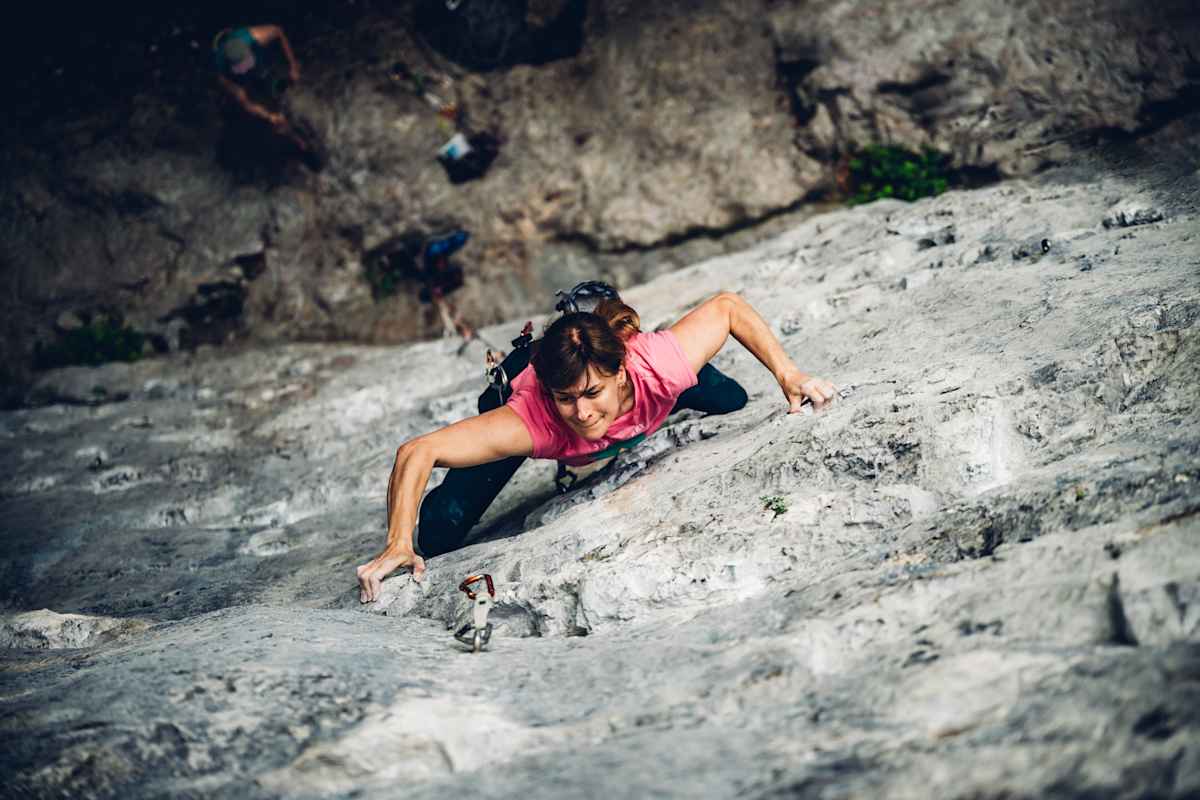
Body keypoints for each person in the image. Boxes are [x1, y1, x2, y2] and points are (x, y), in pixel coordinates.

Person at [356, 290, 838, 603]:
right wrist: (398, 543)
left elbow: (729, 307)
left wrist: (788, 373)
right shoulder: (535, 419)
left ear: (621, 372)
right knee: (439, 533)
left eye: (591, 394)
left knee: (729, 398)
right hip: (528, 406)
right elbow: (416, 451)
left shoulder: (655, 365)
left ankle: (686, 384)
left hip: (654, 387)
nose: (582, 414)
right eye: (568, 399)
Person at [212, 25, 323, 170]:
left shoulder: (255, 36)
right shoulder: (224, 75)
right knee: (276, 124)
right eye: (241, 67)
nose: (246, 67)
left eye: (247, 62)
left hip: (264, 68)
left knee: (287, 92)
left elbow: (278, 31)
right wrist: (269, 116)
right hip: (248, 83)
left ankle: (312, 130)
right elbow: (246, 102)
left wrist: (293, 66)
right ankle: (302, 149)